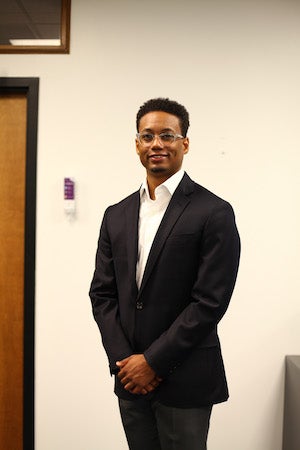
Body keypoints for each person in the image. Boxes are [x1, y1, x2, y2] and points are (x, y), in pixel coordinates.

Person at [89, 98, 240, 450]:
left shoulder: (213, 212)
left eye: (167, 135)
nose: (157, 143)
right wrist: (125, 362)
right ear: (137, 144)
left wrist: (152, 363)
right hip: (130, 379)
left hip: (185, 377)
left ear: (184, 143)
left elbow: (210, 302)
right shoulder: (116, 214)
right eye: (147, 135)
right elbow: (102, 295)